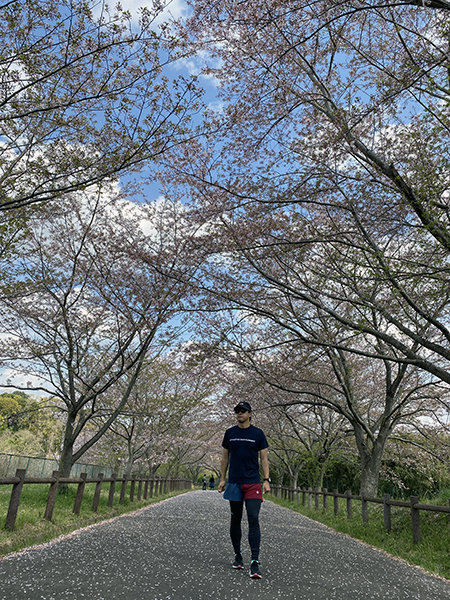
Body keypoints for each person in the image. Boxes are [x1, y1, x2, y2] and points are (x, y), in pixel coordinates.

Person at [218, 401, 270, 580]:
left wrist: (266, 480)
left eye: (243, 411)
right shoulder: (230, 433)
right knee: (235, 518)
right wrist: (222, 478)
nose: (239, 413)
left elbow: (264, 458)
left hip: (253, 483)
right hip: (234, 483)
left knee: (254, 518)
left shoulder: (258, 434)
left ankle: (255, 561)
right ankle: (238, 555)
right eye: (237, 411)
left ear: (250, 413)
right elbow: (225, 457)